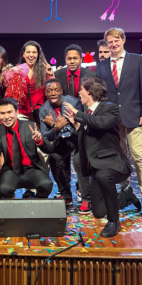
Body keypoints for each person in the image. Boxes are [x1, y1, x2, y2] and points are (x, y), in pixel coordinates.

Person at [96, 27, 142, 219]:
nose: (113, 45)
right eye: (110, 42)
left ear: (123, 40)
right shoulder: (102, 65)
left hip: (135, 118)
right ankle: (125, 192)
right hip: (113, 121)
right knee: (119, 159)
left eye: (116, 40)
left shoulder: (138, 60)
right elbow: (101, 94)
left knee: (139, 157)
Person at [63, 78, 134, 238]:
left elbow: (101, 123)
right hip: (97, 166)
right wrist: (77, 128)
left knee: (103, 175)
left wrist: (78, 115)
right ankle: (125, 196)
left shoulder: (110, 109)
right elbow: (86, 140)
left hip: (113, 163)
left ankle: (114, 221)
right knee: (98, 212)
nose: (78, 93)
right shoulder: (87, 114)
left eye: (81, 89)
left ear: (89, 92)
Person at [0, 98, 53, 200]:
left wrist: (39, 141)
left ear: (17, 112)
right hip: (11, 170)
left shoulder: (30, 126)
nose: (6, 117)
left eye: (9, 112)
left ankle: (37, 204)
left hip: (32, 169)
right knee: (3, 189)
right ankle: (13, 210)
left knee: (47, 185)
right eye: (2, 113)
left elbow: (49, 148)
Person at [39, 78, 88, 209]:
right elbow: (46, 137)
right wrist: (56, 127)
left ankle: (86, 197)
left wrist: (55, 125)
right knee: (54, 159)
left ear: (61, 91)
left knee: (79, 161)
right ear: (46, 93)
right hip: (62, 140)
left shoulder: (74, 103)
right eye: (49, 91)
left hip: (78, 138)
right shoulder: (44, 110)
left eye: (56, 90)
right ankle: (66, 195)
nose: (53, 93)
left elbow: (80, 128)